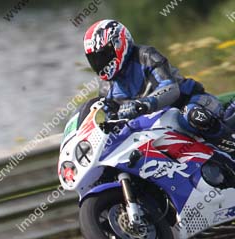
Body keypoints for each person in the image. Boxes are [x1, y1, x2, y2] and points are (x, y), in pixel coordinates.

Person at [84, 19, 233, 146]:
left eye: (103, 56)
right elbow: (113, 124)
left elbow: (171, 88)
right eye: (95, 59)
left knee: (194, 116)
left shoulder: (146, 56)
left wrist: (143, 104)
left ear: (118, 44)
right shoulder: (105, 89)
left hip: (190, 102)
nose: (100, 63)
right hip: (158, 127)